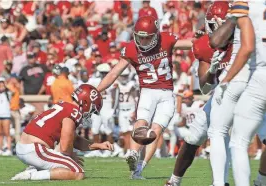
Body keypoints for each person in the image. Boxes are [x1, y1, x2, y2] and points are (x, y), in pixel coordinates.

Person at [96, 15, 192, 179]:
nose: (144, 41)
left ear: (155, 35)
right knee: (149, 128)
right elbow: (191, 44)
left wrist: (97, 90)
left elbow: (113, 73)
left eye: (148, 38)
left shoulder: (165, 39)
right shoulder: (136, 47)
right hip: (157, 92)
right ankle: (134, 157)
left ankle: (136, 165)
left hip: (157, 94)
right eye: (140, 37)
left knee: (149, 128)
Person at [164, 2, 232, 186]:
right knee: (194, 137)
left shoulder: (243, 39)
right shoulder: (206, 45)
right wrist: (211, 70)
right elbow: (205, 88)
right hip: (221, 94)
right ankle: (174, 180)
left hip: (249, 93)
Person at [209, 1, 266, 186]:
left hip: (251, 75)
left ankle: (219, 183)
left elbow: (220, 42)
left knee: (228, 136)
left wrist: (225, 80)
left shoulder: (245, 3)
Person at [11, 84, 113, 181]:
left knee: (70, 167)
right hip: (35, 149)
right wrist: (70, 155)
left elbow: (75, 139)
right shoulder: (74, 112)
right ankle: (32, 175)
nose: (90, 114)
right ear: (85, 103)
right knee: (77, 172)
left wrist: (99, 145)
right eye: (92, 110)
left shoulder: (65, 105)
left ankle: (35, 170)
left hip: (26, 146)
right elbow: (64, 147)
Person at [115, 68, 138, 158]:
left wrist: (135, 112)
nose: (124, 78)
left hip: (130, 110)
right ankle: (123, 150)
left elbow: (136, 99)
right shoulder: (116, 84)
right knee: (123, 132)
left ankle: (130, 151)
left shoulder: (132, 84)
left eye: (125, 76)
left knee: (130, 132)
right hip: (121, 111)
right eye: (122, 76)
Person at [0, 78, 12, 156]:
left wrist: (6, 85)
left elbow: (11, 91)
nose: (1, 87)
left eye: (2, 85)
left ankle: (9, 149)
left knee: (7, 133)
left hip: (6, 115)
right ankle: (0, 149)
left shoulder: (8, 93)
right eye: (0, 86)